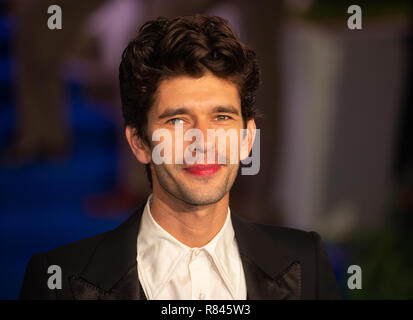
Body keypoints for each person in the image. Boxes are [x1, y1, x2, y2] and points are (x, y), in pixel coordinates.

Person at [19, 14, 341, 300]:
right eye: (177, 121)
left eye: (222, 118)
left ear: (247, 139)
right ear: (139, 143)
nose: (202, 141)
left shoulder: (305, 263)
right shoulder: (58, 282)